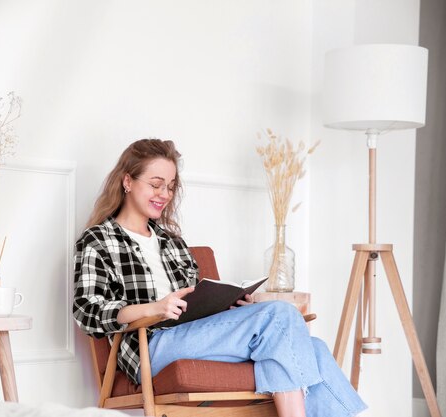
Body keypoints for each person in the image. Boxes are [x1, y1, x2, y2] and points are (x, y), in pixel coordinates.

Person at [72, 139, 367, 417]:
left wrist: (230, 305)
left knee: (311, 349)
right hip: (150, 344)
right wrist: (153, 309)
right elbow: (87, 311)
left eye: (171, 186)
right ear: (127, 181)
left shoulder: (171, 242)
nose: (164, 194)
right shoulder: (98, 239)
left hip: (194, 334)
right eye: (156, 184)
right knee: (281, 317)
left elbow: (197, 299)